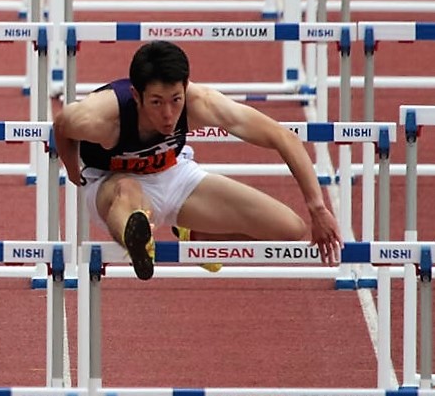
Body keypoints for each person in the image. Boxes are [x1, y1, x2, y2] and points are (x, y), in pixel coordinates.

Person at [53, 40, 342, 280]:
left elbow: (282, 137)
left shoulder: (199, 102)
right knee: (127, 190)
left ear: (185, 87)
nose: (168, 114)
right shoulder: (102, 117)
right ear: (136, 96)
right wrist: (71, 168)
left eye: (175, 100)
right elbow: (63, 124)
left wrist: (317, 208)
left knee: (290, 230)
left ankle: (196, 234)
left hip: (175, 175)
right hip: (111, 185)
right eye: (156, 102)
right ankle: (136, 240)